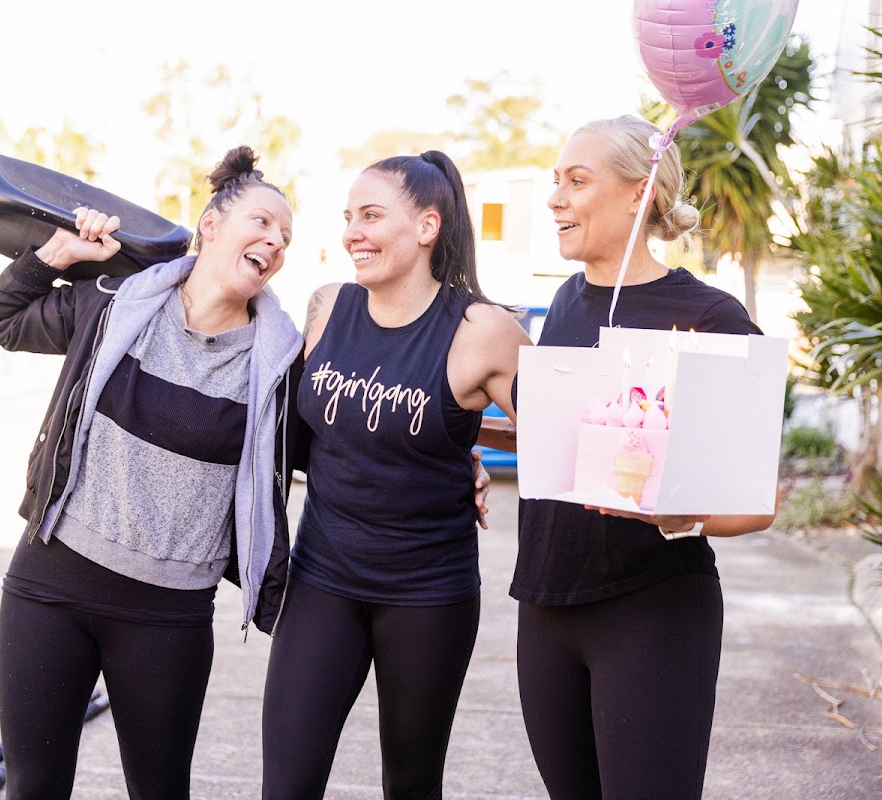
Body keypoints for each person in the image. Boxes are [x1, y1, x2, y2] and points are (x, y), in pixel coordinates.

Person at [0, 146, 303, 800]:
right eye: (263, 222)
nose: (275, 240)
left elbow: (350, 440)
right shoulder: (110, 304)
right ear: (210, 226)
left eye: (286, 237)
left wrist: (453, 458)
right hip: (50, 585)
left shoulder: (279, 367)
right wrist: (57, 256)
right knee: (32, 789)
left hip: (168, 615)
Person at [506, 115, 778, 800]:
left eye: (577, 180)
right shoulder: (565, 302)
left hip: (651, 612)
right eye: (555, 181)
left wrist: (678, 514)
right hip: (544, 607)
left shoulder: (712, 317)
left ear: (640, 192)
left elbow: (755, 503)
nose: (556, 198)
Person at [261, 150, 532, 799]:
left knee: (411, 785)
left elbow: (565, 442)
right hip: (322, 578)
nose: (353, 231)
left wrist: (462, 450)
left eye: (372, 215)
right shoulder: (328, 306)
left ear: (427, 227)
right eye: (349, 216)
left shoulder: (482, 331)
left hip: (427, 596)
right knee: (286, 785)